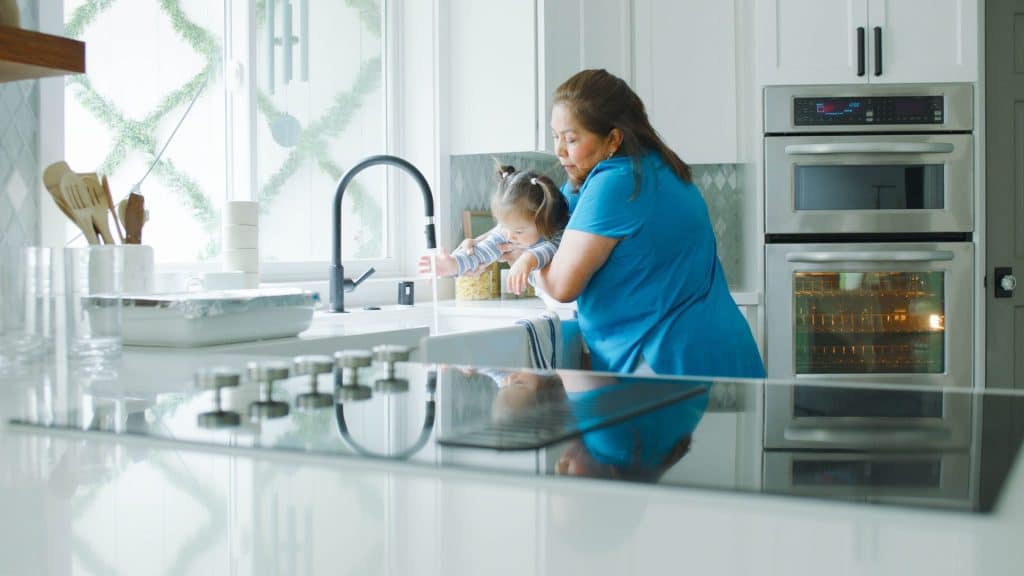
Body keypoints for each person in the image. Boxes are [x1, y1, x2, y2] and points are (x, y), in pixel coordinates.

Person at [530, 68, 765, 378]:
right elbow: (546, 218)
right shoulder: (657, 168)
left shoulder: (617, 183)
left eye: (571, 138)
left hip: (667, 364)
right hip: (722, 353)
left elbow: (562, 285)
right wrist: (491, 242)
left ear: (613, 138)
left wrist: (524, 258)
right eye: (555, 136)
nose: (559, 149)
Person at [418, 165, 569, 295]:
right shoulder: (508, 233)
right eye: (504, 226)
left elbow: (550, 249)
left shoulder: (559, 235)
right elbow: (483, 251)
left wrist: (527, 259)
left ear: (546, 224)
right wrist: (453, 264)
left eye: (519, 231)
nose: (509, 235)